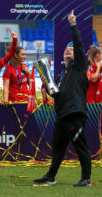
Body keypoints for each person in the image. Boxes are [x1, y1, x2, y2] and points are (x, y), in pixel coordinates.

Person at [34, 10, 91, 187]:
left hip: (74, 113)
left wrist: (73, 24)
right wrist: (46, 84)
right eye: (67, 48)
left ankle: (86, 179)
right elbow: (55, 94)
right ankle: (51, 176)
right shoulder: (61, 74)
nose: (69, 49)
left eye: (72, 49)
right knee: (57, 148)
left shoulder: (80, 67)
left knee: (80, 147)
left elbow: (80, 45)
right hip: (61, 115)